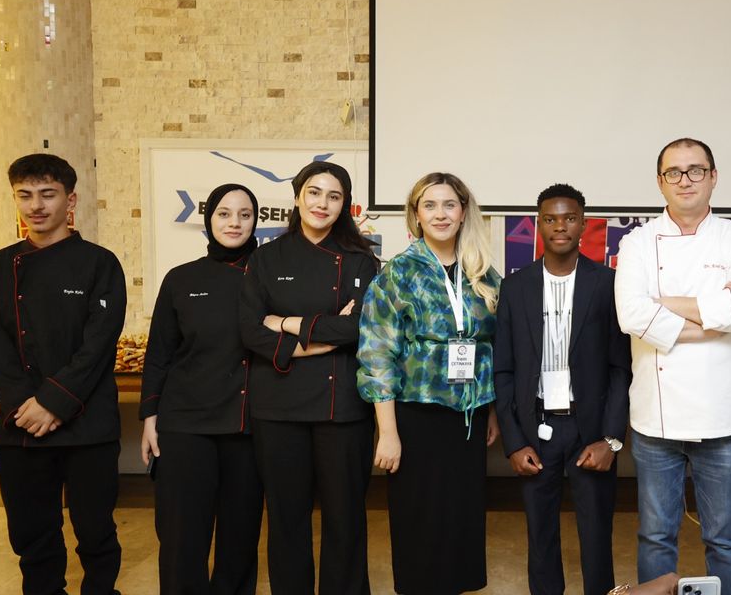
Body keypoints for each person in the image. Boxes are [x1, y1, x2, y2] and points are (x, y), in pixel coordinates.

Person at [614, 137, 731, 594]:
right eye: (674, 172)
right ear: (660, 182)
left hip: (723, 419)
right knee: (656, 535)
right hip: (655, 420)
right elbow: (631, 315)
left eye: (696, 170)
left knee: (725, 537)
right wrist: (714, 319)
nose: (685, 180)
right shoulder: (637, 242)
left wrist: (662, 302)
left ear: (713, 177)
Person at [0, 153, 127, 594]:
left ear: (70, 200)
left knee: (96, 531)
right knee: (31, 534)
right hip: (22, 424)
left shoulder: (100, 263)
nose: (36, 206)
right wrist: (26, 406)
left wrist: (53, 402)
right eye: (24, 195)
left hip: (88, 424)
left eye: (47, 194)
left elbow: (98, 346)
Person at [358, 172, 502, 594]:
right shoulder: (398, 273)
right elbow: (376, 354)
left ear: (463, 212)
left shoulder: (483, 274)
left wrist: (490, 409)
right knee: (419, 521)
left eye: (449, 205)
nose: (441, 214)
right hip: (416, 416)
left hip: (469, 419)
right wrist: (388, 433)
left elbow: (492, 347)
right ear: (416, 215)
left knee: (461, 520)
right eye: (430, 205)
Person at [239, 161, 377, 595]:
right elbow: (251, 332)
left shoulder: (362, 261)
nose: (322, 203)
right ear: (298, 197)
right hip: (278, 408)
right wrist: (325, 335)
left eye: (334, 196)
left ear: (345, 205)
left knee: (346, 519)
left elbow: (359, 330)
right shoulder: (265, 258)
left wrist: (285, 322)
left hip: (344, 410)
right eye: (314, 193)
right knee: (285, 519)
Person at [494, 183, 633, 595]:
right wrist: (514, 442)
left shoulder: (607, 284)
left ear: (583, 225)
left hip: (590, 431)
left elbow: (620, 369)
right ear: (538, 225)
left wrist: (611, 440)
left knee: (597, 537)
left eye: (569, 218)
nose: (560, 226)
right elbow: (503, 370)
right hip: (536, 430)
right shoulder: (515, 288)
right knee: (540, 537)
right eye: (550, 219)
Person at [139, 183, 264, 595]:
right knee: (181, 537)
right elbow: (159, 354)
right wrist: (149, 417)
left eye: (245, 215)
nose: (234, 223)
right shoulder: (181, 279)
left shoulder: (269, 277)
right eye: (224, 213)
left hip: (248, 426)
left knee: (240, 537)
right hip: (185, 424)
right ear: (209, 219)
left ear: (256, 221)